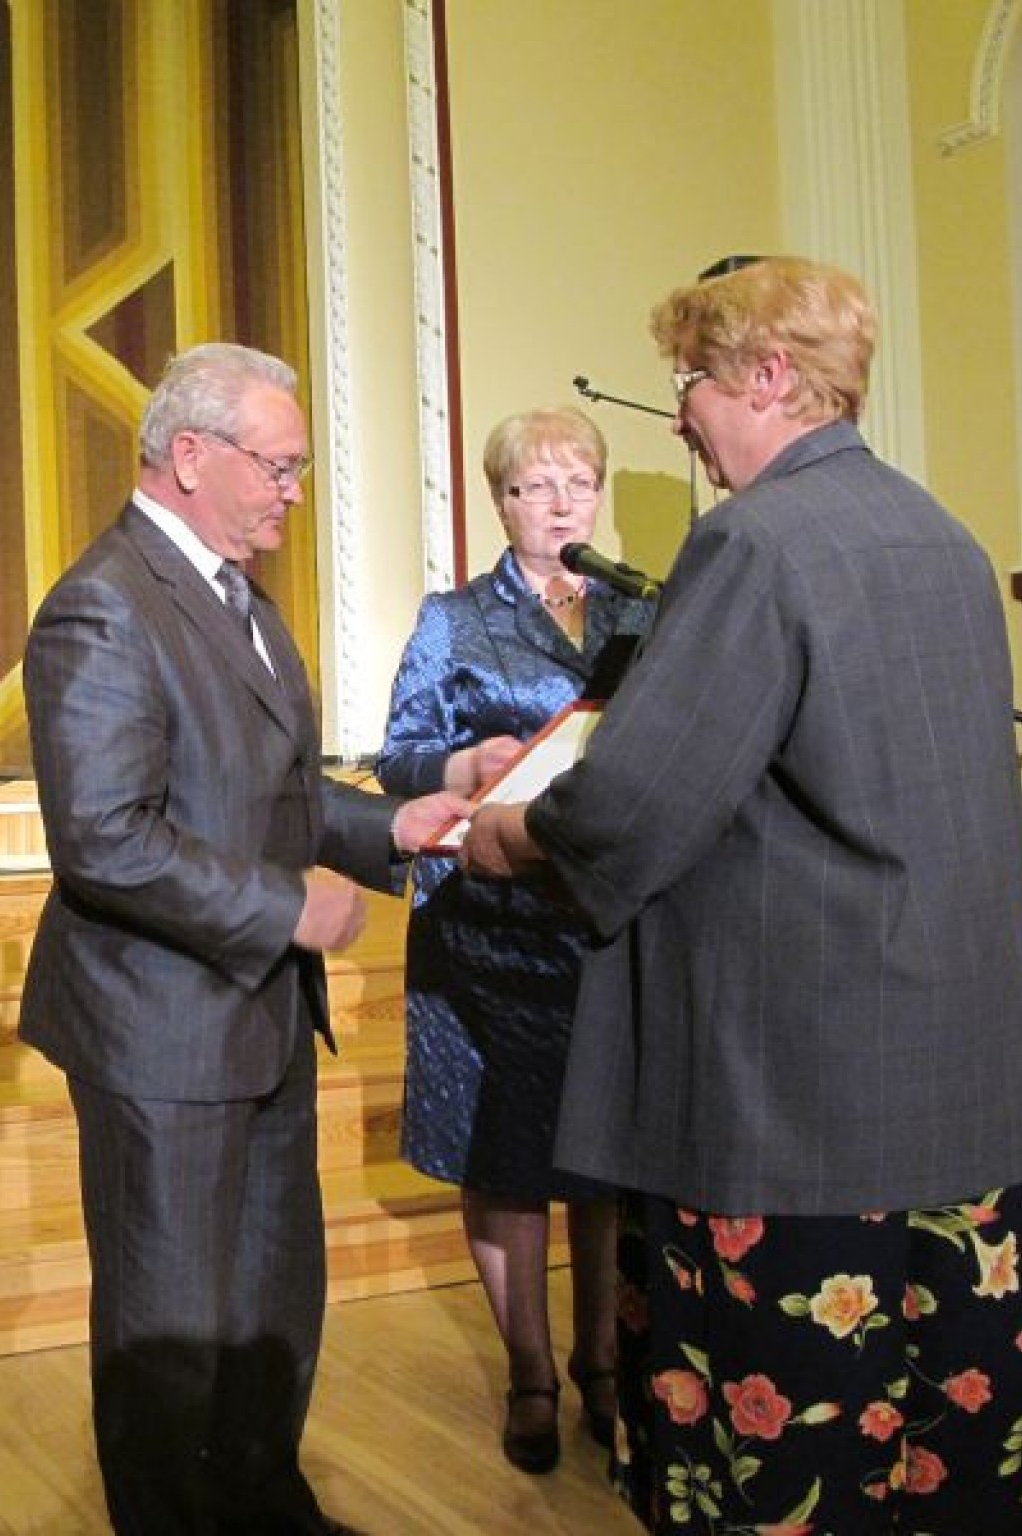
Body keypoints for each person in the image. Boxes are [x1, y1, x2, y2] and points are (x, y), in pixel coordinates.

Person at [461, 258, 1022, 1533]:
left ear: (768, 377)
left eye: (689, 381)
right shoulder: (941, 534)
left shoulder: (751, 540)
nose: (677, 414)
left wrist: (510, 836)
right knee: (956, 1443)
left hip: (793, 1106)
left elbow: (632, 805)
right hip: (958, 1081)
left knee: (793, 1457)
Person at [20, 341, 467, 1535]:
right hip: (159, 1030)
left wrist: (388, 827)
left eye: (300, 468)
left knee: (272, 1301)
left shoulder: (237, 597)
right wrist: (289, 907)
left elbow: (269, 791)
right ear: (187, 456)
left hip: (257, 1019)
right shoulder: (102, 607)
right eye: (277, 465)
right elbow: (107, 841)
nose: (292, 491)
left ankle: (268, 1505)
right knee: (169, 1334)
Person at [375, 406, 653, 1476]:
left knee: (596, 1158)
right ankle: (530, 1374)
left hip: (594, 919)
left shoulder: (636, 606)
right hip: (484, 929)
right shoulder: (454, 618)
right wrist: (464, 762)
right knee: (504, 1161)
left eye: (576, 482)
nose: (559, 502)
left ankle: (601, 1365)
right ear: (499, 501)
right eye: (535, 486)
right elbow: (396, 757)